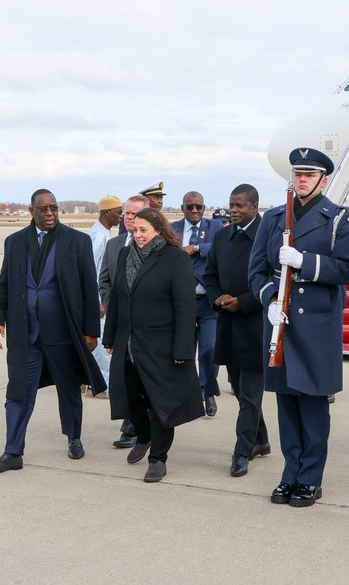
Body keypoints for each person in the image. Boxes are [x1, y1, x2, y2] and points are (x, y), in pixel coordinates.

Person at [249, 148, 349, 508]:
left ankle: (310, 478)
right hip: (281, 322)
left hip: (316, 325)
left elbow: (346, 270)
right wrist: (270, 299)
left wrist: (304, 261)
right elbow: (256, 270)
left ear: (323, 181)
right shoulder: (274, 218)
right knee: (286, 405)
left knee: (312, 406)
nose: (302, 180)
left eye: (309, 175)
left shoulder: (339, 218)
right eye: (298, 174)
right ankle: (290, 473)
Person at [0, 189, 105, 473]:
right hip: (25, 334)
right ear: (32, 211)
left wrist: (91, 331)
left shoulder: (77, 241)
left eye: (54, 208)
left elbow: (89, 288)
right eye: (43, 209)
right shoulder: (14, 242)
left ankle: (74, 437)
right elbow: (4, 284)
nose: (50, 213)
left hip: (63, 333)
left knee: (68, 389)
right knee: (18, 392)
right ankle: (13, 452)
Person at [103, 207, 203, 483]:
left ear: (158, 230)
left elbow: (185, 307)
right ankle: (144, 436)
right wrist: (109, 336)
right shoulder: (125, 255)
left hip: (161, 345)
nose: (138, 235)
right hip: (128, 342)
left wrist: (183, 349)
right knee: (131, 397)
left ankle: (158, 458)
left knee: (161, 405)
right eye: (135, 230)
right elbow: (117, 298)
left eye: (143, 230)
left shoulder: (175, 258)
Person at [204, 184, 271, 477]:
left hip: (256, 325)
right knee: (241, 390)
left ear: (255, 206)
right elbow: (209, 276)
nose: (233, 210)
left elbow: (274, 280)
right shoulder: (222, 237)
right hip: (228, 324)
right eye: (231, 204)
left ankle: (242, 452)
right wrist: (217, 297)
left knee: (251, 393)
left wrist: (243, 302)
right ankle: (261, 440)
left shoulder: (268, 236)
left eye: (240, 205)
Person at [100, 194, 149, 448]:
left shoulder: (157, 245)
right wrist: (114, 310)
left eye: (135, 214)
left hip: (147, 326)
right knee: (125, 377)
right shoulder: (114, 245)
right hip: (121, 324)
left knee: (144, 376)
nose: (129, 217)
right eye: (127, 213)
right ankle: (131, 427)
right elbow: (104, 281)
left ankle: (142, 426)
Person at [172, 190, 224, 417]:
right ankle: (189, 393)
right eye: (190, 206)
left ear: (204, 208)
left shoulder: (215, 227)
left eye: (199, 206)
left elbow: (221, 247)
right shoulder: (173, 229)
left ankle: (208, 389)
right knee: (183, 351)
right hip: (182, 303)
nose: (194, 210)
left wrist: (196, 248)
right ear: (182, 208)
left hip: (207, 302)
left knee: (210, 348)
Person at [88, 195, 123, 395]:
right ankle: (102, 387)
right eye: (118, 212)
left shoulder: (104, 232)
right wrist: (97, 300)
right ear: (107, 212)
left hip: (103, 296)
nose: (121, 216)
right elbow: (91, 269)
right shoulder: (99, 236)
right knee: (102, 344)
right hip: (100, 300)